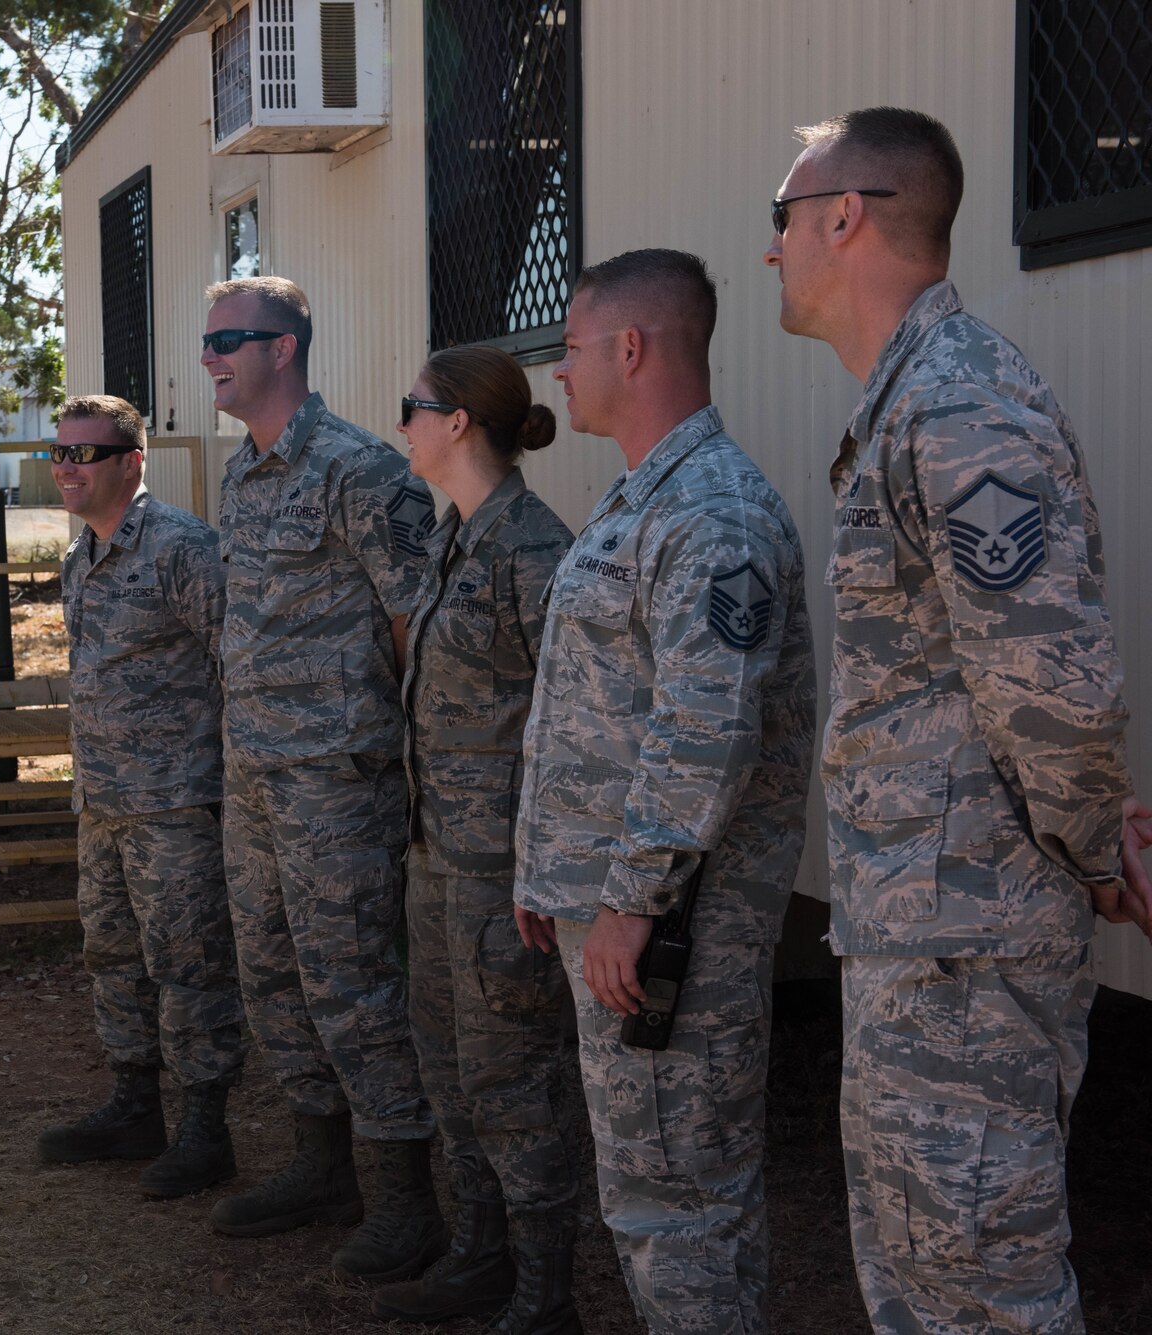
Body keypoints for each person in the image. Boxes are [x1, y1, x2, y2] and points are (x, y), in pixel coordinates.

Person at [767, 107, 1141, 1334]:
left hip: (964, 942)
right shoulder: (909, 401)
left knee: (981, 1287)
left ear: (844, 216)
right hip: (920, 932)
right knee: (924, 1280)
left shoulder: (958, 406)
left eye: (782, 218)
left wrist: (1093, 848)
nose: (770, 249)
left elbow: (1050, 683)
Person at [514, 249, 815, 1333]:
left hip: (670, 933)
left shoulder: (709, 516)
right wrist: (546, 870)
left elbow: (703, 731)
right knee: (671, 1193)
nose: (557, 372)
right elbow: (599, 707)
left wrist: (629, 900)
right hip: (619, 914)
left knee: (673, 1201)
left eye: (570, 348)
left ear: (629, 349)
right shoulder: (643, 499)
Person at [200, 275, 445, 1284]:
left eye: (226, 339)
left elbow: (413, 624)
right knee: (270, 973)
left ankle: (404, 1200)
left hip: (335, 782)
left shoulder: (361, 472)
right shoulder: (240, 473)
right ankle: (319, 1164)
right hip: (252, 774)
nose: (209, 355)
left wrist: (402, 759)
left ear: (283, 349)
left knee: (353, 984)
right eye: (206, 339)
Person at [368, 345, 576, 1329]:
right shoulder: (456, 538)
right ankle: (477, 1257)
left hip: (502, 872)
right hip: (437, 858)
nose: (398, 423)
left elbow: (575, 720)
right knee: (450, 1068)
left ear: (456, 422)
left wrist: (546, 864)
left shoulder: (531, 549)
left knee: (512, 1079)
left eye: (411, 407)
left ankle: (545, 1296)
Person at [35, 394, 246, 1198]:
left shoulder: (182, 549)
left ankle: (205, 1127)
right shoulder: (80, 554)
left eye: (83, 454)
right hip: (105, 800)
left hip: (176, 805)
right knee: (114, 955)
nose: (65, 468)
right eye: (58, 453)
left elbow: (236, 660)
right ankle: (135, 1105)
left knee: (189, 964)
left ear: (131, 462)